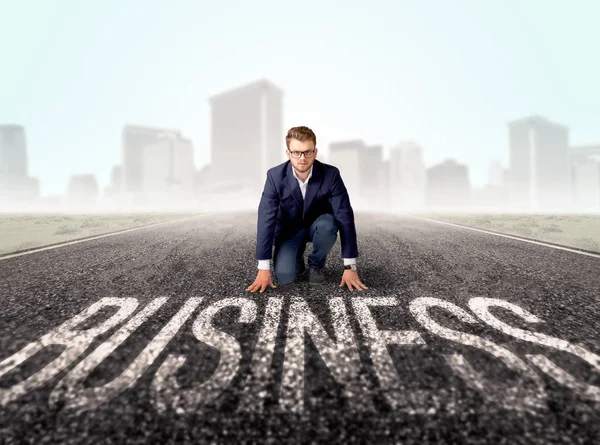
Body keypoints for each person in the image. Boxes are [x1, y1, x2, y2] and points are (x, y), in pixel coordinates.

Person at [246, 126, 368, 293]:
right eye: (296, 152)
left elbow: (345, 216)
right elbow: (266, 219)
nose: (302, 158)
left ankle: (316, 264)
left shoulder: (331, 175)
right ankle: (297, 259)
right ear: (288, 153)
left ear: (315, 152)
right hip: (289, 231)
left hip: (317, 227)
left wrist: (350, 267)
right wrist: (263, 268)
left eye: (307, 152)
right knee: (285, 276)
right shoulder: (274, 176)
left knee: (328, 224)